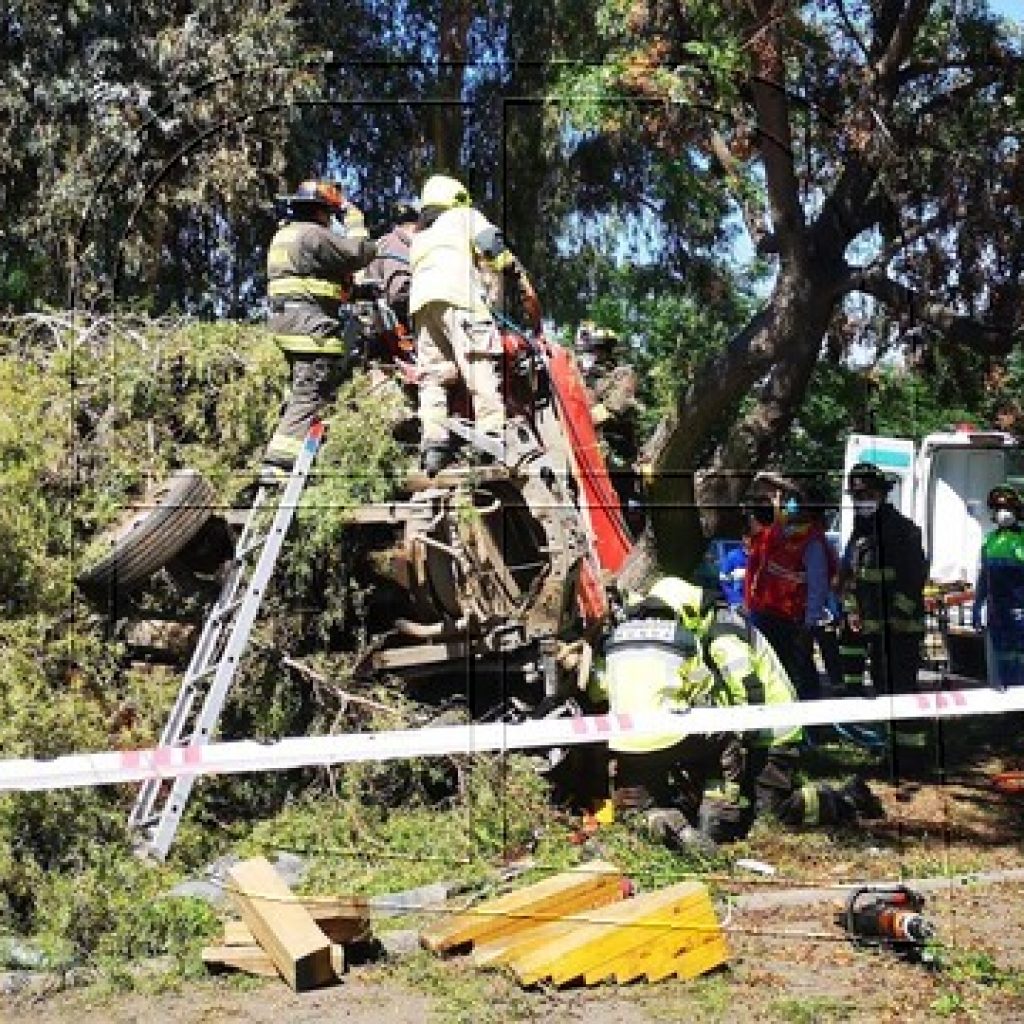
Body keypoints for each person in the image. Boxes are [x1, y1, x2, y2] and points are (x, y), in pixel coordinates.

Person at [589, 577, 883, 850]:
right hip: (752, 726)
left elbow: (749, 690)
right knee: (731, 789)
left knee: (771, 809)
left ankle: (846, 799)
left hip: (771, 730)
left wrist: (738, 735)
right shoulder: (706, 627)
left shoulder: (723, 636)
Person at [409, 174, 541, 477]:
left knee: (433, 377)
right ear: (457, 198)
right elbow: (492, 246)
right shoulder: (464, 216)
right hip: (461, 302)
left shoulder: (421, 237)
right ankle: (491, 436)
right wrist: (515, 276)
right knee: (478, 362)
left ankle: (434, 444)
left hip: (423, 310)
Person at [262, 179, 377, 479]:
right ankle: (279, 463)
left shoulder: (285, 235)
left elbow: (311, 283)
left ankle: (293, 444)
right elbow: (360, 252)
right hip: (308, 326)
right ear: (323, 212)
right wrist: (353, 218)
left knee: (301, 386)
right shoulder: (315, 234)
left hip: (286, 320)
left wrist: (355, 294)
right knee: (311, 389)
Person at [839, 462, 930, 764]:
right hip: (874, 631)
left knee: (902, 689)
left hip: (901, 630)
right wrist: (852, 610)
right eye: (855, 495)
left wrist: (896, 616)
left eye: (865, 494)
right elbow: (849, 577)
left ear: (880, 494)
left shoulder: (903, 531)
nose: (860, 500)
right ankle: (892, 750)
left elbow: (913, 579)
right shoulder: (860, 534)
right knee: (882, 688)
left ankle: (913, 755)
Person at [744, 482, 831, 699]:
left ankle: (813, 726)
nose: (787, 512)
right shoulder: (774, 534)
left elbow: (817, 587)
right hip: (765, 615)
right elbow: (756, 572)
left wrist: (810, 625)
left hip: (792, 621)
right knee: (769, 670)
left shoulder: (812, 543)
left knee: (798, 675)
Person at [575, 322, 643, 522]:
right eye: (588, 350)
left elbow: (616, 406)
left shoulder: (622, 374)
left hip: (616, 457)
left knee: (622, 509)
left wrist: (585, 420)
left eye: (595, 350)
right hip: (587, 455)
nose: (590, 355)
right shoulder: (582, 379)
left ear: (606, 351)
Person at [973, 485, 1024, 687]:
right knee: (999, 661)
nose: (1003, 513)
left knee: (1018, 660)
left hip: (1019, 610)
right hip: (997, 612)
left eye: (1008, 508)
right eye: (998, 508)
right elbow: (984, 576)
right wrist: (978, 605)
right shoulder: (989, 541)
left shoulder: (1021, 539)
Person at [365, 200, 418, 328]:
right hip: (399, 316)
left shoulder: (382, 243)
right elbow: (399, 293)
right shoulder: (404, 244)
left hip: (380, 320)